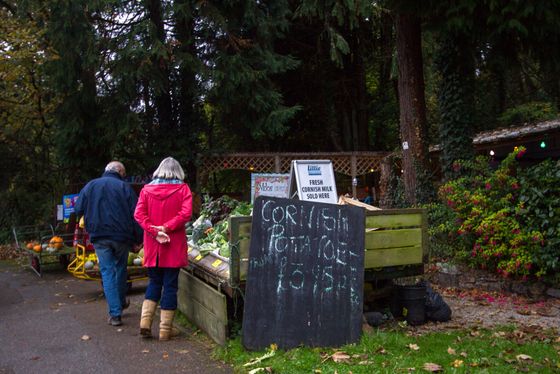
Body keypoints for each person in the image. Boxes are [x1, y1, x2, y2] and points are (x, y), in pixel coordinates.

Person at [75, 161, 143, 326]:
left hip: (99, 236)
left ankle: (115, 314)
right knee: (120, 269)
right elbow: (136, 214)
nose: (124, 176)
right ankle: (119, 303)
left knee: (107, 272)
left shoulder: (90, 186)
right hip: (121, 237)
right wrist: (138, 239)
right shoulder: (124, 187)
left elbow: (77, 209)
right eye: (124, 173)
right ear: (119, 172)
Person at [134, 157, 193, 340]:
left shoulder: (146, 190)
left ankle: (145, 322)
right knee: (170, 285)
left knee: (154, 282)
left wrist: (154, 230)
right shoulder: (183, 189)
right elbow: (186, 214)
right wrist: (166, 228)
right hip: (173, 244)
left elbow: (139, 214)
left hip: (153, 245)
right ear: (178, 171)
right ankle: (165, 330)